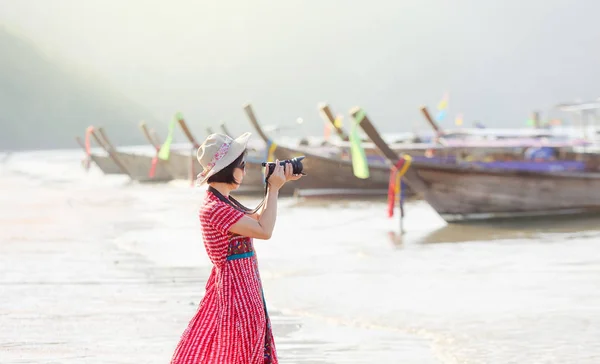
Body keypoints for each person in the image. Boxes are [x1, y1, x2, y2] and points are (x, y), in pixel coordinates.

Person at [170, 132, 302, 364]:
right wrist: (273, 189)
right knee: (236, 351)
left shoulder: (223, 202)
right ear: (227, 168)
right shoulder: (214, 208)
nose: (244, 169)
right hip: (235, 292)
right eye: (241, 164)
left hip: (242, 288)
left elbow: (256, 220)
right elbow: (264, 230)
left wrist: (275, 184)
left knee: (239, 350)